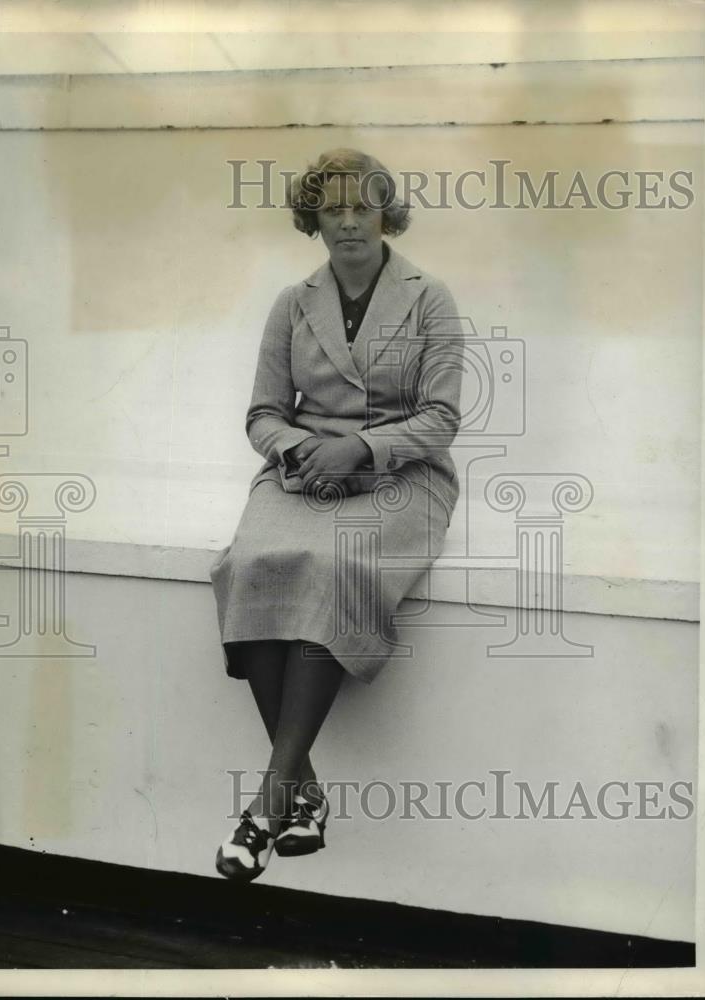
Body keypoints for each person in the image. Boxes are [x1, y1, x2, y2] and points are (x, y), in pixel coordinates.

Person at [210, 148, 464, 880]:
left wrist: (359, 447)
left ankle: (265, 806)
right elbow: (262, 414)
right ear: (313, 220)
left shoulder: (429, 297)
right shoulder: (293, 303)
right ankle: (303, 794)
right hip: (303, 476)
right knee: (247, 566)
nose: (349, 221)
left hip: (401, 480)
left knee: (337, 565)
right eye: (333, 208)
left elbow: (441, 419)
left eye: (363, 206)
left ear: (386, 212)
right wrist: (298, 450)